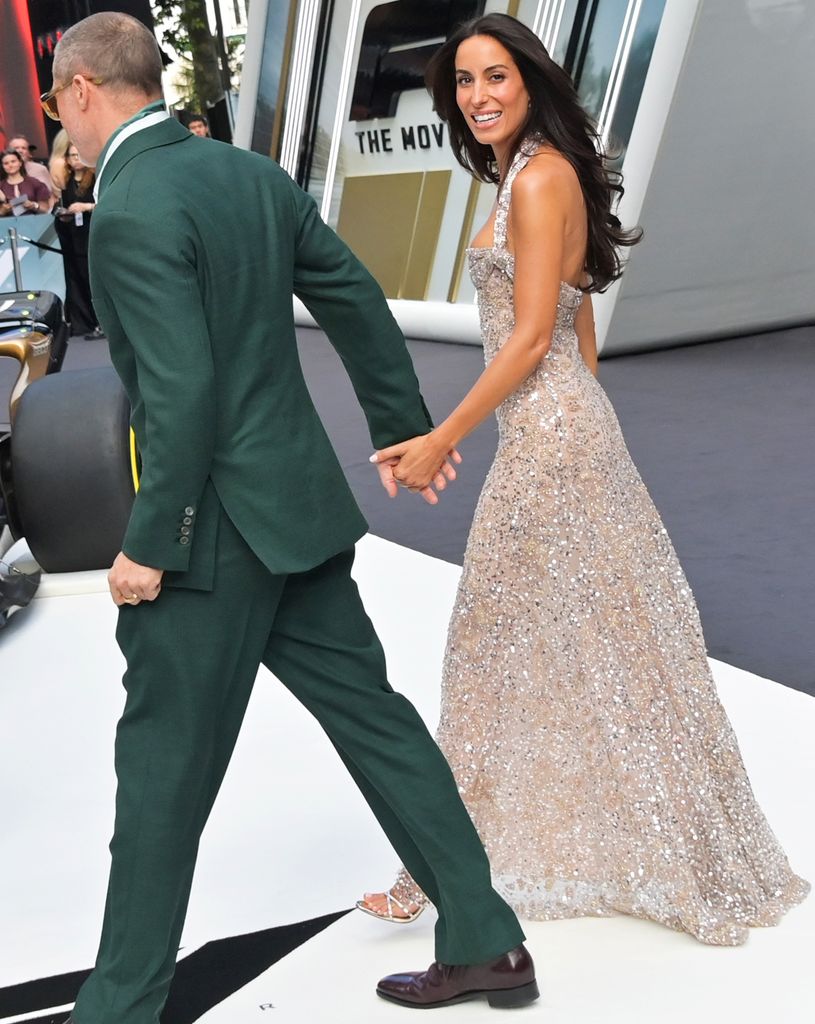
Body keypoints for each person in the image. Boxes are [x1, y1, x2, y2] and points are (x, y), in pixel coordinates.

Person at [45, 12, 536, 1020]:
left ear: (85, 89)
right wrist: (400, 426)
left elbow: (179, 391)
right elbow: (354, 297)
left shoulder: (131, 204)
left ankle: (119, 1006)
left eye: (61, 106)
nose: (64, 127)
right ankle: (486, 938)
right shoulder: (248, 174)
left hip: (207, 538)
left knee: (160, 780)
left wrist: (146, 543)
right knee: (379, 725)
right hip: (297, 513)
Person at [360, 13, 809, 945]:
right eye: (463, 83)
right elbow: (576, 333)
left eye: (494, 78)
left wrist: (443, 437)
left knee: (498, 651)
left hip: (551, 437)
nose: (476, 96)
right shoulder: (529, 173)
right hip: (561, 434)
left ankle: (438, 869)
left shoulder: (536, 182)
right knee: (583, 641)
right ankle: (467, 858)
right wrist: (570, 429)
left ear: (529, 82)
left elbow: (531, 337)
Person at [51, 141, 103, 338]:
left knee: (94, 277)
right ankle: (85, 321)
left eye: (78, 154)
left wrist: (86, 207)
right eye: (72, 156)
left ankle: (102, 321)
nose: (76, 159)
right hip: (74, 236)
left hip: (93, 232)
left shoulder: (95, 178)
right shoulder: (67, 183)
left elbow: (104, 204)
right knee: (78, 278)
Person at [8, 133, 57, 206]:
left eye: (23, 148)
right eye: (16, 148)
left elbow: (49, 195)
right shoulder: (3, 171)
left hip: (39, 212)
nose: (20, 151)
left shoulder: (40, 169)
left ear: (28, 153)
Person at [0, 149, 51, 216]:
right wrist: (2, 211)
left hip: (34, 223)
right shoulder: (1, 186)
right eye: (6, 163)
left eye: (13, 161)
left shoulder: (34, 183)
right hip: (7, 224)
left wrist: (33, 205)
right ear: (2, 166)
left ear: (20, 163)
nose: (10, 165)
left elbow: (46, 209)